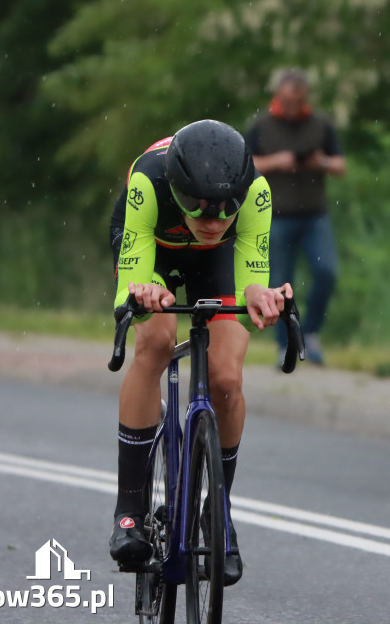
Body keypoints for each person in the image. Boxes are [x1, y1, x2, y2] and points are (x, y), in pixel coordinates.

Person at [107, 119, 293, 585]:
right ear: (176, 189)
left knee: (227, 378)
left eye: (225, 208)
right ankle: (129, 510)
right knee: (155, 342)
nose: (212, 220)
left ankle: (219, 511)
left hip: (219, 263)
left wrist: (262, 298)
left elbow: (253, 277)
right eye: (197, 207)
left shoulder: (256, 191)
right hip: (156, 252)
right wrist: (141, 294)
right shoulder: (148, 181)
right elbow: (128, 286)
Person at [246, 69, 346, 365]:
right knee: (278, 282)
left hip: (314, 216)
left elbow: (340, 165)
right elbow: (243, 163)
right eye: (287, 101)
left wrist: (321, 162)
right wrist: (275, 162)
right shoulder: (260, 126)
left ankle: (311, 332)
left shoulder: (320, 125)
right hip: (274, 217)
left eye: (298, 101)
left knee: (326, 272)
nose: (292, 107)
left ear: (305, 98)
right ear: (278, 96)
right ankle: (285, 346)